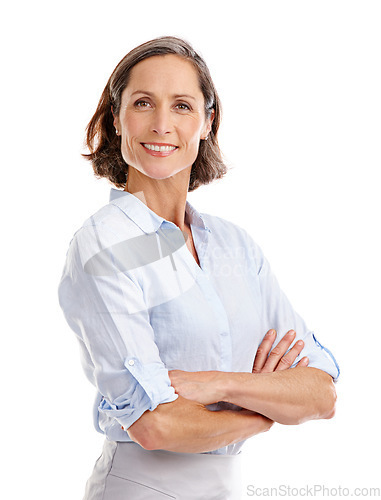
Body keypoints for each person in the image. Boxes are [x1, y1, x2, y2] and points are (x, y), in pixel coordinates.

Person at [58, 36, 339, 500]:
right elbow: (156, 425)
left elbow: (321, 394)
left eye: (183, 106)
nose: (162, 124)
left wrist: (218, 384)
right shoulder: (103, 246)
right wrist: (264, 409)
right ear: (116, 117)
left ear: (208, 122)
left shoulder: (234, 246)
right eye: (143, 102)